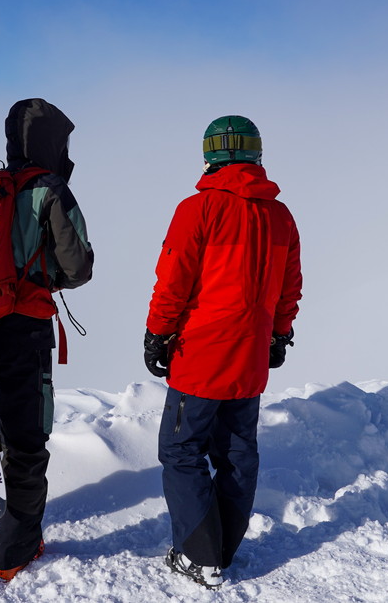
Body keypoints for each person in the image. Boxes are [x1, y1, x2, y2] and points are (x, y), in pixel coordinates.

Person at [143, 115, 302, 590]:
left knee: (181, 449)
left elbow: (174, 280)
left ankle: (200, 555)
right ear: (256, 155)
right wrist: (278, 335)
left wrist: (157, 333)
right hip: (249, 356)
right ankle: (223, 548)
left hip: (201, 356)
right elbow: (289, 288)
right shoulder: (280, 215)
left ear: (209, 156)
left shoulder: (198, 210)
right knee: (237, 451)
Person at [0, 98, 94, 583]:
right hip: (24, 329)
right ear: (51, 142)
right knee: (25, 435)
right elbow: (79, 266)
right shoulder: (48, 188)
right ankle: (17, 548)